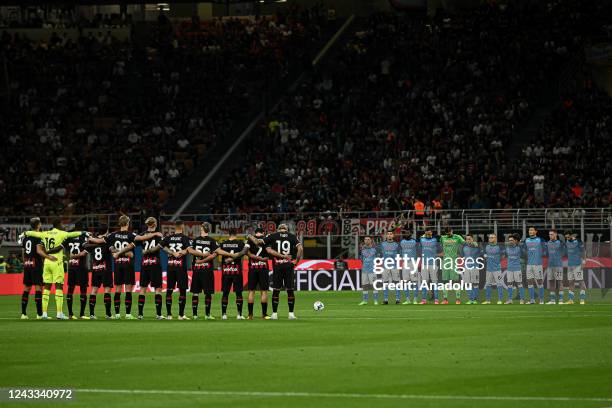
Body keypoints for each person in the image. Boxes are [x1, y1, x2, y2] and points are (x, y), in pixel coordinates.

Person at [23, 218, 86, 319]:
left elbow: (34, 234)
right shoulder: (61, 233)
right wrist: (84, 232)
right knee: (59, 287)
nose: (63, 225)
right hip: (56, 261)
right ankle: (59, 313)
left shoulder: (45, 233)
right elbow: (73, 234)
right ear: (59, 224)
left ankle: (44, 313)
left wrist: (25, 233)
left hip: (47, 262)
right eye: (62, 223)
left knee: (47, 287)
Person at [113, 217, 164, 319]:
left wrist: (120, 252)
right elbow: (163, 246)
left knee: (142, 289)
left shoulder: (141, 235)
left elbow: (132, 245)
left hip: (144, 264)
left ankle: (140, 314)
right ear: (155, 224)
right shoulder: (159, 235)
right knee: (157, 289)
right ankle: (158, 314)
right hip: (155, 264)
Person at [249, 224, 303, 320]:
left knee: (276, 290)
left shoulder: (273, 235)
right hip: (288, 266)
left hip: (277, 266)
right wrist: (296, 262)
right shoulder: (292, 236)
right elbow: (300, 249)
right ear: (287, 229)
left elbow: (257, 242)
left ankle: (274, 313)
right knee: (290, 290)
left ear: (278, 229)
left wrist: (249, 236)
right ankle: (291, 314)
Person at [106, 215, 138, 319]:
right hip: (128, 264)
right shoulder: (132, 235)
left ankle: (117, 314)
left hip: (118, 264)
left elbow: (110, 248)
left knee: (118, 289)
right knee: (128, 289)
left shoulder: (112, 235)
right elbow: (131, 254)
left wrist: (117, 253)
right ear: (128, 223)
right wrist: (126, 253)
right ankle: (128, 314)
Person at [189, 222, 220, 320]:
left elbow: (190, 251)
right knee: (208, 293)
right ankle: (207, 315)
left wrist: (198, 261)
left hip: (197, 270)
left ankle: (194, 315)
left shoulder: (195, 240)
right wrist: (205, 257)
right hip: (207, 270)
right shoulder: (212, 241)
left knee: (195, 293)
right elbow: (215, 254)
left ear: (202, 229)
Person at [218, 229, 249, 320]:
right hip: (237, 271)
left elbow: (217, 252)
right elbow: (245, 252)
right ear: (236, 234)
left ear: (228, 234)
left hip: (226, 271)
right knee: (238, 293)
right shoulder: (240, 243)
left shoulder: (223, 244)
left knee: (225, 293)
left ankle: (224, 314)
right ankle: (239, 314)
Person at [19, 217, 46, 318]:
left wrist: (25, 262)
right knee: (38, 287)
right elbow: (40, 251)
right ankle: (39, 314)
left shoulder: (26, 237)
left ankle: (23, 313)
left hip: (27, 264)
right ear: (38, 225)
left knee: (27, 288)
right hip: (36, 264)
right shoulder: (38, 237)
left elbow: (23, 252)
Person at [85, 225, 114, 319]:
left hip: (95, 268)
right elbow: (111, 249)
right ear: (106, 231)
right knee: (107, 290)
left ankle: (92, 314)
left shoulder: (92, 240)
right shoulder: (107, 239)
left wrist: (91, 240)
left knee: (94, 290)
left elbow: (85, 245)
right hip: (106, 269)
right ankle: (108, 314)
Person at [65, 222, 89, 319]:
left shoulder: (69, 237)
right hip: (81, 266)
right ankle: (82, 314)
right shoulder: (84, 236)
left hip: (71, 266)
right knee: (83, 289)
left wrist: (71, 257)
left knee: (70, 289)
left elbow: (66, 250)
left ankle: (70, 314)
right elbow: (84, 252)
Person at [246, 228, 271, 319]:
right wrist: (261, 259)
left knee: (251, 291)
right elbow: (269, 251)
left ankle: (250, 315)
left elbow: (247, 252)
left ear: (255, 233)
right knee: (263, 291)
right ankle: (264, 315)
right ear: (263, 232)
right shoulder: (266, 239)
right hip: (263, 267)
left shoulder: (249, 239)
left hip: (252, 268)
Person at [439, 227, 465, 304]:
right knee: (445, 280)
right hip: (445, 261)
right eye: (447, 233)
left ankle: (458, 299)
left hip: (454, 261)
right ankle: (445, 299)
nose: (448, 234)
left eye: (449, 233)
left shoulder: (457, 237)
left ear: (452, 231)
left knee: (456, 280)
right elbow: (441, 247)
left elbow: (465, 243)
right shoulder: (442, 238)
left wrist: (472, 243)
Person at [523, 227, 546, 304]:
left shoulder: (540, 240)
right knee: (529, 281)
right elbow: (523, 250)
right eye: (529, 230)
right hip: (529, 264)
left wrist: (541, 254)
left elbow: (545, 249)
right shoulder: (526, 240)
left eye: (532, 230)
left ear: (536, 231)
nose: (530, 231)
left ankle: (541, 299)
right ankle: (532, 300)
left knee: (539, 281)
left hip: (537, 264)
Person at [419, 228, 441, 304]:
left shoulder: (435, 240)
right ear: (425, 233)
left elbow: (441, 252)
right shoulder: (422, 240)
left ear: (432, 233)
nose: (428, 234)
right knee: (424, 282)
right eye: (427, 233)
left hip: (433, 264)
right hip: (424, 264)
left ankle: (436, 299)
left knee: (435, 282)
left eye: (430, 233)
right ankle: (423, 300)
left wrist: (435, 255)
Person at [378, 230, 401, 304]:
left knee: (396, 282)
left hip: (394, 265)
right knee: (385, 283)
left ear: (393, 236)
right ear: (386, 236)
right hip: (385, 266)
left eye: (391, 234)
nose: (389, 235)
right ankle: (385, 300)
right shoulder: (382, 244)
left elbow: (399, 254)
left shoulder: (397, 244)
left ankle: (397, 299)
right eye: (388, 234)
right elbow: (380, 254)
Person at [564, 231, 586, 304]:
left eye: (568, 237)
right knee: (570, 282)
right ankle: (571, 300)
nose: (567, 238)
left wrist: (584, 261)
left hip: (578, 264)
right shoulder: (567, 241)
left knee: (580, 281)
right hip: (570, 265)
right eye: (566, 237)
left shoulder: (578, 241)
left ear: (572, 235)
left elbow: (583, 251)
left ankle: (582, 299)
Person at [483, 234, 504, 305]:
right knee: (488, 284)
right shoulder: (487, 247)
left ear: (495, 238)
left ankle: (500, 300)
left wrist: (497, 261)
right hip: (489, 269)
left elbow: (503, 255)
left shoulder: (499, 247)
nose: (490, 239)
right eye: (489, 238)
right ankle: (488, 300)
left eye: (492, 237)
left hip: (497, 269)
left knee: (499, 284)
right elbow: (485, 255)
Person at [399, 231, 419, 304]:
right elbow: (400, 252)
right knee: (405, 282)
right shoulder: (402, 242)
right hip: (405, 263)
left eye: (408, 232)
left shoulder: (414, 241)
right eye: (405, 233)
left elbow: (418, 251)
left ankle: (415, 299)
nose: (407, 234)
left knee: (415, 281)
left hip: (413, 263)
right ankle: (407, 299)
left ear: (411, 233)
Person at [504, 234, 525, 304]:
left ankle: (522, 299)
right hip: (509, 268)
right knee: (509, 284)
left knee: (519, 284)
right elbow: (504, 255)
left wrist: (519, 242)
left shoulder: (519, 248)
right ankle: (510, 299)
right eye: (509, 240)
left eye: (512, 240)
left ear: (515, 241)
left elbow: (524, 252)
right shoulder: (507, 248)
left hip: (517, 268)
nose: (510, 241)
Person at [545, 230, 564, 304]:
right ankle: (552, 300)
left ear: (556, 234)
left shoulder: (560, 243)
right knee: (551, 282)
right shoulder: (548, 243)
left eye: (552, 234)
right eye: (549, 234)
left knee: (559, 282)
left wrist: (558, 257)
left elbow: (564, 252)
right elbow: (547, 253)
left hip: (558, 265)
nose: (550, 236)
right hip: (550, 265)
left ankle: (561, 300)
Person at [358, 236, 379, 305]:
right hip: (364, 269)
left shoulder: (375, 249)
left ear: (371, 240)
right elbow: (361, 258)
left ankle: (375, 300)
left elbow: (378, 258)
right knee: (365, 285)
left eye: (368, 239)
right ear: (364, 241)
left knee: (374, 285)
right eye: (365, 239)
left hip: (373, 270)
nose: (366, 240)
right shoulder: (362, 249)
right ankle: (365, 300)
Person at [461, 234, 481, 304]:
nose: (468, 240)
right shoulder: (464, 247)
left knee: (475, 284)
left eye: (469, 239)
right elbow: (462, 256)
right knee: (467, 284)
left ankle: (474, 299)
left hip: (475, 267)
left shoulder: (476, 246)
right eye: (467, 239)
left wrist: (478, 245)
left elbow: (482, 253)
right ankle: (470, 299)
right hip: (466, 267)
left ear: (472, 239)